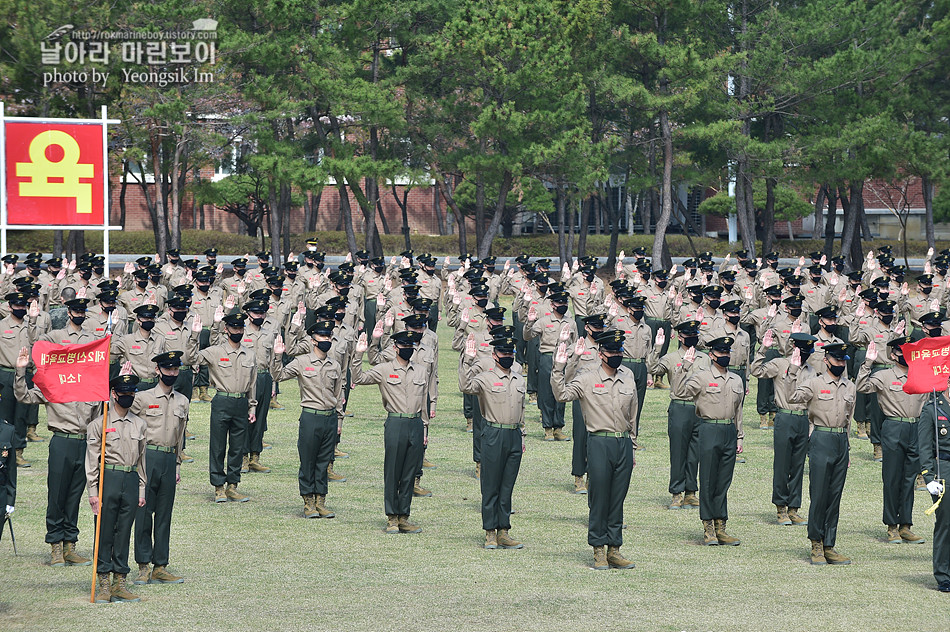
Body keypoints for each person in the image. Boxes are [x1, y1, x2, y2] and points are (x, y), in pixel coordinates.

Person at [551, 330, 638, 570]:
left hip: (622, 443)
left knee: (618, 498)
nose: (616, 355)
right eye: (611, 352)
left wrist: (632, 444)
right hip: (599, 442)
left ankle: (614, 548)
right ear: (601, 354)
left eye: (619, 351)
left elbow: (633, 415)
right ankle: (598, 548)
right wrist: (560, 367)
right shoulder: (588, 378)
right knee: (599, 497)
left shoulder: (628, 377)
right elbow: (561, 394)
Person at [351, 329, 428, 534]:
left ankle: (404, 516)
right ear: (395, 348)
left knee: (410, 473)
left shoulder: (421, 371)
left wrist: (425, 427)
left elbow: (424, 401)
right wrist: (358, 354)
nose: (408, 350)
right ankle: (392, 517)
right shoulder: (384, 369)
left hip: (416, 424)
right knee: (393, 471)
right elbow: (358, 378)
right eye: (404, 347)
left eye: (411, 347)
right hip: (395, 423)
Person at [787, 342, 855, 566]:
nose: (841, 364)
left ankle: (829, 544)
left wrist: (847, 448)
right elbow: (792, 397)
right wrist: (793, 371)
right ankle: (816, 543)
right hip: (821, 438)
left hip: (839, 441)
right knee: (819, 495)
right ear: (826, 360)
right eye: (837, 360)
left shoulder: (849, 386)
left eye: (843, 360)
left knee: (835, 497)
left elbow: (848, 420)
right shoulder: (814, 383)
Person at [856, 336, 928, 544]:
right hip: (894, 427)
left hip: (916, 427)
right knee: (892, 478)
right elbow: (862, 387)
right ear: (894, 354)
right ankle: (892, 526)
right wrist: (868, 362)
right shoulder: (885, 375)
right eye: (903, 352)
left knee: (910, 479)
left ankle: (906, 525)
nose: (907, 356)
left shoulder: (920, 374)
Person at [459, 332, 526, 550]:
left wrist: (522, 434)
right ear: (495, 354)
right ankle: (489, 532)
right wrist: (467, 359)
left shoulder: (519, 378)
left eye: (510, 352)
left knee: (507, 486)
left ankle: (504, 530)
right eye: (503, 352)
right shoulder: (486, 377)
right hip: (493, 433)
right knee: (490, 485)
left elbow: (521, 409)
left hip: (513, 434)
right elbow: (465, 386)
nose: (507, 355)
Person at [272, 320, 344, 519]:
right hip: (310, 416)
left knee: (324, 461)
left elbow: (338, 396)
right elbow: (278, 375)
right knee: (308, 461)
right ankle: (308, 502)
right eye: (323, 337)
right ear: (313, 340)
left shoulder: (335, 365)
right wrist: (278, 356)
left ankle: (321, 501)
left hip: (329, 418)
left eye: (329, 337)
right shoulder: (302, 362)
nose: (326, 340)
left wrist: (339, 419)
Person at [129, 351, 191, 586]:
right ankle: (143, 566)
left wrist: (176, 464)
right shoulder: (142, 398)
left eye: (176, 369)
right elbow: (118, 411)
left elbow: (180, 436)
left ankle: (160, 566)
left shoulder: (183, 401)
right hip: (147, 458)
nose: (172, 373)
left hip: (168, 460)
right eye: (167, 369)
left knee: (164, 515)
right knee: (143, 514)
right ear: (157, 371)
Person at [679, 336, 745, 546]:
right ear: (712, 355)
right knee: (707, 480)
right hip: (708, 429)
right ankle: (708, 527)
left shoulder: (736, 380)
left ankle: (721, 526)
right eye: (721, 352)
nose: (724, 356)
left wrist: (740, 436)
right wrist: (685, 367)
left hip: (728, 431)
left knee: (723, 481)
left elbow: (738, 411)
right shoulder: (702, 377)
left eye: (727, 352)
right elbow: (680, 392)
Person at [87, 374, 148, 603]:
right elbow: (92, 461)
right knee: (104, 532)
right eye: (124, 393)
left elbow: (142, 460)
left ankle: (120, 581)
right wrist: (93, 492)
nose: (128, 397)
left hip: (130, 479)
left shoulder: (140, 424)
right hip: (108, 479)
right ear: (113, 394)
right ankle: (103, 581)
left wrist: (142, 490)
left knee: (124, 531)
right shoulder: (99, 424)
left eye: (131, 393)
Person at [750, 331, 815, 526]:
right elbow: (756, 371)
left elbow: (813, 399)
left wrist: (812, 424)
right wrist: (763, 348)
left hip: (803, 419)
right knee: (782, 465)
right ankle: (780, 508)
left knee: (798, 465)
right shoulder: (780, 364)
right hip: (785, 417)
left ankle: (794, 508)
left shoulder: (811, 370)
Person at [194, 312, 258, 503]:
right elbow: (192, 358)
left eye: (240, 328)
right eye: (233, 328)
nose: (237, 331)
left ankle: (233, 485)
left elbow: (252, 384)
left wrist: (252, 407)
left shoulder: (250, 354)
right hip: (222, 400)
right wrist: (195, 335)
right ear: (226, 329)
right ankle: (218, 487)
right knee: (218, 446)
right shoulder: (215, 351)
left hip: (241, 403)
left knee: (238, 448)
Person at [648, 320, 707, 510]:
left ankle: (691, 492)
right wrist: (657, 347)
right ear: (680, 337)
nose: (692, 338)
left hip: (699, 408)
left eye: (694, 334)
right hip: (680, 407)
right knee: (678, 452)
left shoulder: (704, 358)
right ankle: (676, 492)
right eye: (689, 335)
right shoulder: (672, 358)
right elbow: (653, 368)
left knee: (695, 453)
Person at [917, 389, 950, 592]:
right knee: (946, 522)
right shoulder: (932, 409)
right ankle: (944, 575)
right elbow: (924, 446)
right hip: (944, 469)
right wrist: (928, 476)